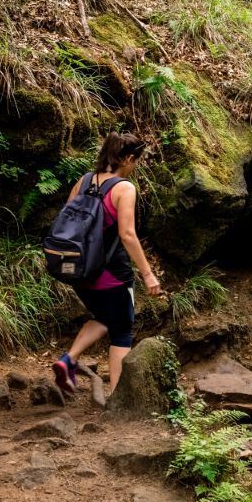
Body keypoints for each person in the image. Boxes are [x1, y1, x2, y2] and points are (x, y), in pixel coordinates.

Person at [52, 132, 163, 401]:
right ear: (128, 158)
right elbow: (127, 234)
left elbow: (66, 223)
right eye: (137, 160)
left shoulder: (84, 181)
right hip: (111, 273)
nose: (136, 166)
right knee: (122, 329)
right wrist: (148, 275)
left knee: (104, 316)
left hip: (77, 269)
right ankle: (116, 398)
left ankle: (68, 359)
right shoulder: (124, 189)